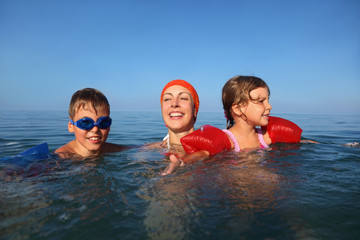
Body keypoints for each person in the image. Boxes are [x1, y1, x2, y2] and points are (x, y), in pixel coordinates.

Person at [146, 79, 208, 174]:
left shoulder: (209, 150)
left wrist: (186, 160)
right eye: (167, 99)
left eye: (183, 98)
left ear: (195, 110)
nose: (174, 104)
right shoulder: (148, 149)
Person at [55, 88, 128, 158]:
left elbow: (137, 148)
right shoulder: (61, 158)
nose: (95, 129)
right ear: (71, 126)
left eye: (103, 122)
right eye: (86, 123)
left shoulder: (112, 150)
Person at [222, 76, 273, 151]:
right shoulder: (226, 141)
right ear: (238, 109)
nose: (269, 106)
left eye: (268, 101)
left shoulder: (266, 138)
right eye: (261, 101)